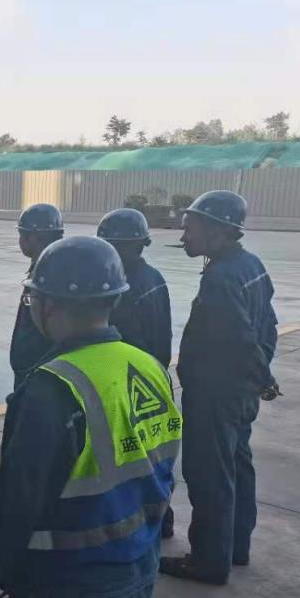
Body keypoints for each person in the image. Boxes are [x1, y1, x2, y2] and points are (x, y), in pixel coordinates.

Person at [0, 235, 181, 598]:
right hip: (138, 563)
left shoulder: (52, 388)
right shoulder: (149, 367)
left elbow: (18, 498)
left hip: (69, 581)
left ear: (49, 305)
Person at [161, 191, 279, 585]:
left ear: (218, 230)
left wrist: (262, 376)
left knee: (209, 474)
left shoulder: (221, 278)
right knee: (237, 466)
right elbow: (268, 326)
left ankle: (209, 561)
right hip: (239, 391)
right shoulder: (251, 265)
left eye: (191, 228)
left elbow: (242, 337)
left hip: (216, 393)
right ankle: (234, 547)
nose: (184, 236)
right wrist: (260, 376)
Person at [98, 208, 175, 538]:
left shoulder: (124, 287)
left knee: (134, 459)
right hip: (153, 374)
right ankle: (163, 517)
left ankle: (150, 520)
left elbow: (124, 340)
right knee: (151, 455)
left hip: (131, 381)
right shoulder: (154, 277)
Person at [10, 203, 64, 390]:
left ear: (32, 237)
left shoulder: (45, 276)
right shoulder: (53, 267)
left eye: (21, 235)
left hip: (37, 373)